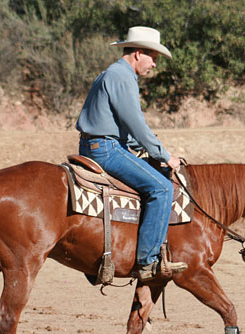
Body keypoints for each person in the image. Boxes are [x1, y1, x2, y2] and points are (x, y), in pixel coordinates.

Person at [76, 26, 187, 282]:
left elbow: (123, 125)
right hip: (107, 149)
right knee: (161, 188)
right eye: (154, 58)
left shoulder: (112, 73)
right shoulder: (121, 76)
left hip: (98, 145)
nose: (155, 65)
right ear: (138, 53)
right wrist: (163, 155)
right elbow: (136, 124)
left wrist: (145, 150)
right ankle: (148, 261)